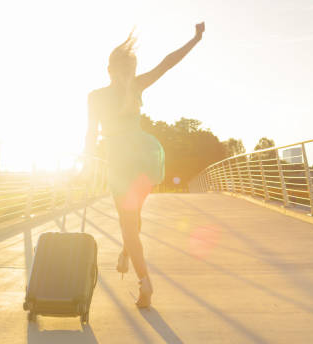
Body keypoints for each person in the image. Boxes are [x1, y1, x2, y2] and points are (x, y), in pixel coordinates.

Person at [84, 22, 205, 308]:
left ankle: (144, 281)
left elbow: (90, 134)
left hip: (119, 160)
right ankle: (128, 251)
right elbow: (167, 63)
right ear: (130, 70)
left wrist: (86, 165)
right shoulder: (136, 86)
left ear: (108, 69)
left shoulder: (95, 96)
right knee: (133, 215)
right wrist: (195, 39)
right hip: (144, 156)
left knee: (128, 224)